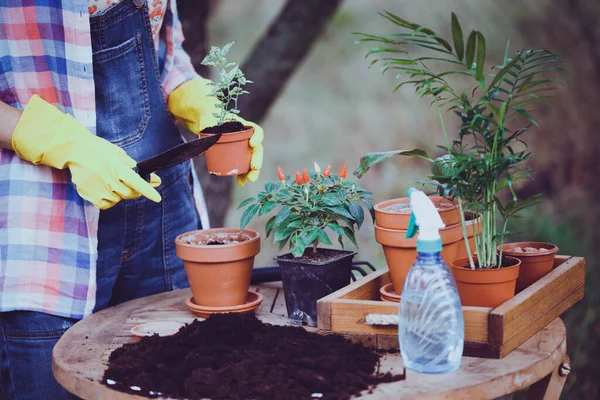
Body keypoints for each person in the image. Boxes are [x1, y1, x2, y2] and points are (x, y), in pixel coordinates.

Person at [0, 0, 264, 398]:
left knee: (186, 377)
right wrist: (56, 142)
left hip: (162, 210)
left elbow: (163, 54)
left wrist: (195, 98)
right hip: (47, 228)